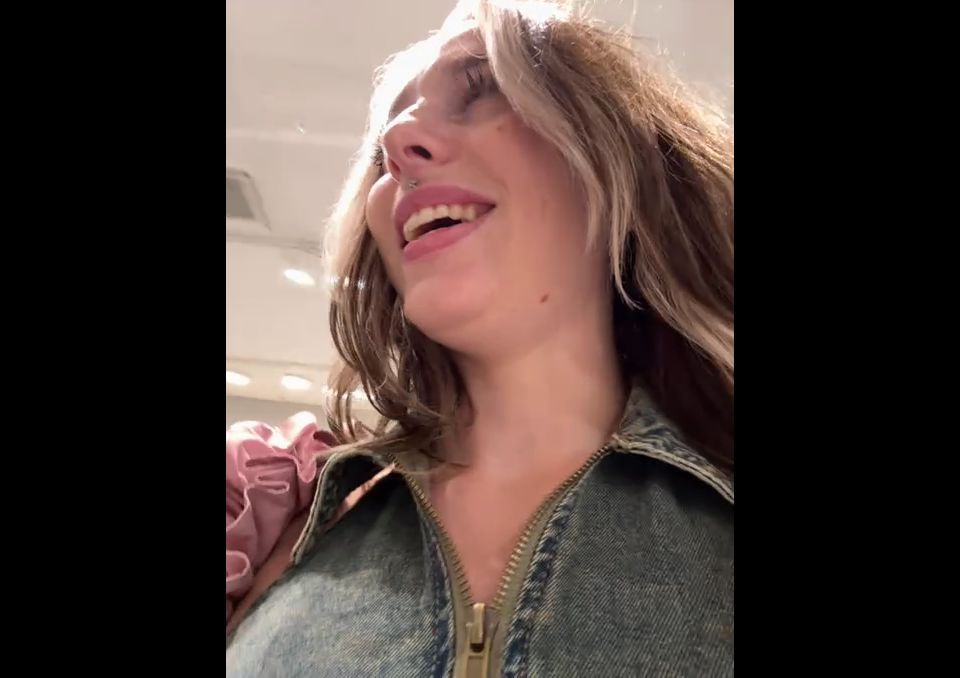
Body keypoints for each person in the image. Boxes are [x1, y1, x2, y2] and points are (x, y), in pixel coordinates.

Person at [226, 0, 733, 675]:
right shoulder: (282, 524)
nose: (398, 141)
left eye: (482, 89)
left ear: (618, 158)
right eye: (381, 149)